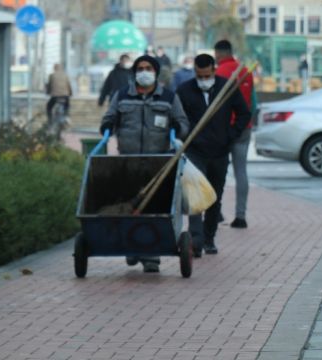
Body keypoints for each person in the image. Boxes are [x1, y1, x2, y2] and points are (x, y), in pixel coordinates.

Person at [100, 54, 190, 273]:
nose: (144, 72)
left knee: (153, 208)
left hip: (158, 164)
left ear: (156, 72)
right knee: (131, 206)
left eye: (149, 68)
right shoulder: (122, 96)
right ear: (134, 72)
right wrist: (107, 126)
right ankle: (132, 248)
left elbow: (183, 123)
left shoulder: (168, 98)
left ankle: (151, 256)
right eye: (140, 68)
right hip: (128, 163)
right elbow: (108, 118)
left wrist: (177, 132)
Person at [176, 54, 251, 256]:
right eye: (200, 76)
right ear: (195, 73)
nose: (203, 80)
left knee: (213, 198)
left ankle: (209, 238)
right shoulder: (184, 91)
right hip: (194, 151)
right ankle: (196, 241)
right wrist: (184, 136)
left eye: (207, 75)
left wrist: (231, 135)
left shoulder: (227, 88)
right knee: (195, 196)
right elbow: (176, 118)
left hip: (219, 151)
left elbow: (245, 113)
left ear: (213, 70)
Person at [214, 39, 257, 229]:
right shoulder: (245, 72)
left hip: (223, 129)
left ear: (218, 54)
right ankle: (241, 216)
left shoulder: (218, 73)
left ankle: (216, 212)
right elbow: (253, 102)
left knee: (216, 172)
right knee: (241, 172)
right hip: (244, 128)